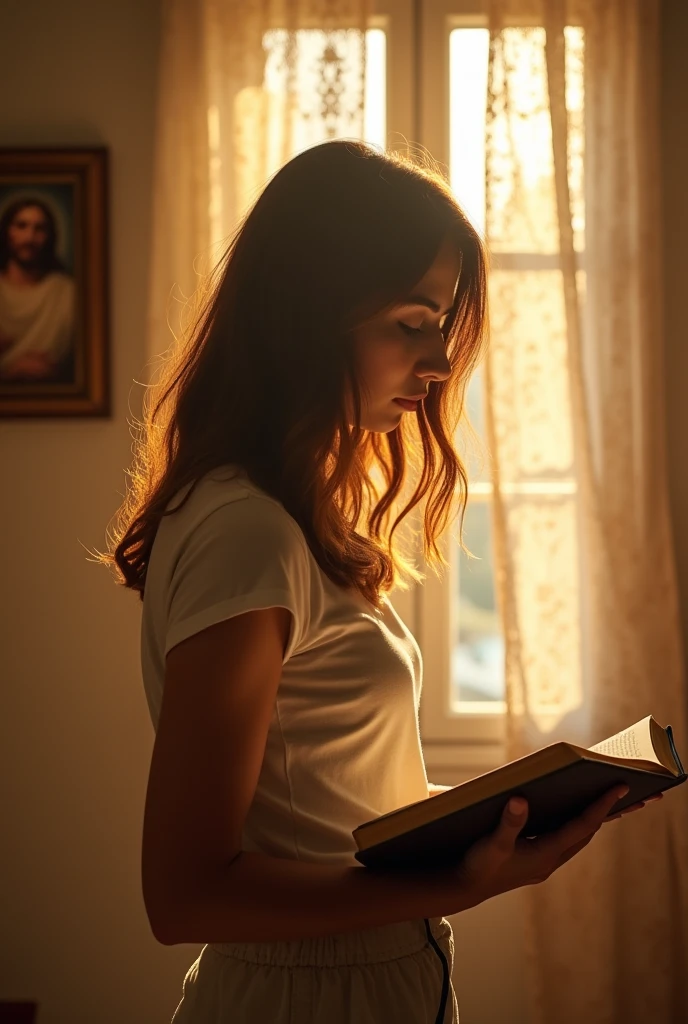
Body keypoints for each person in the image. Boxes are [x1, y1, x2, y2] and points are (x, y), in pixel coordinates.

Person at [93, 139, 659, 1023]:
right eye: (411, 322)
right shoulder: (246, 532)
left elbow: (337, 811)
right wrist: (458, 887)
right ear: (306, 316)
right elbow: (185, 895)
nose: (437, 366)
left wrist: (505, 821)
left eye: (440, 326)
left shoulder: (295, 519)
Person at [0, 198, 75, 381]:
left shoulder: (66, 292)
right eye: (21, 226)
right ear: (7, 231)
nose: (30, 237)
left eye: (39, 228)